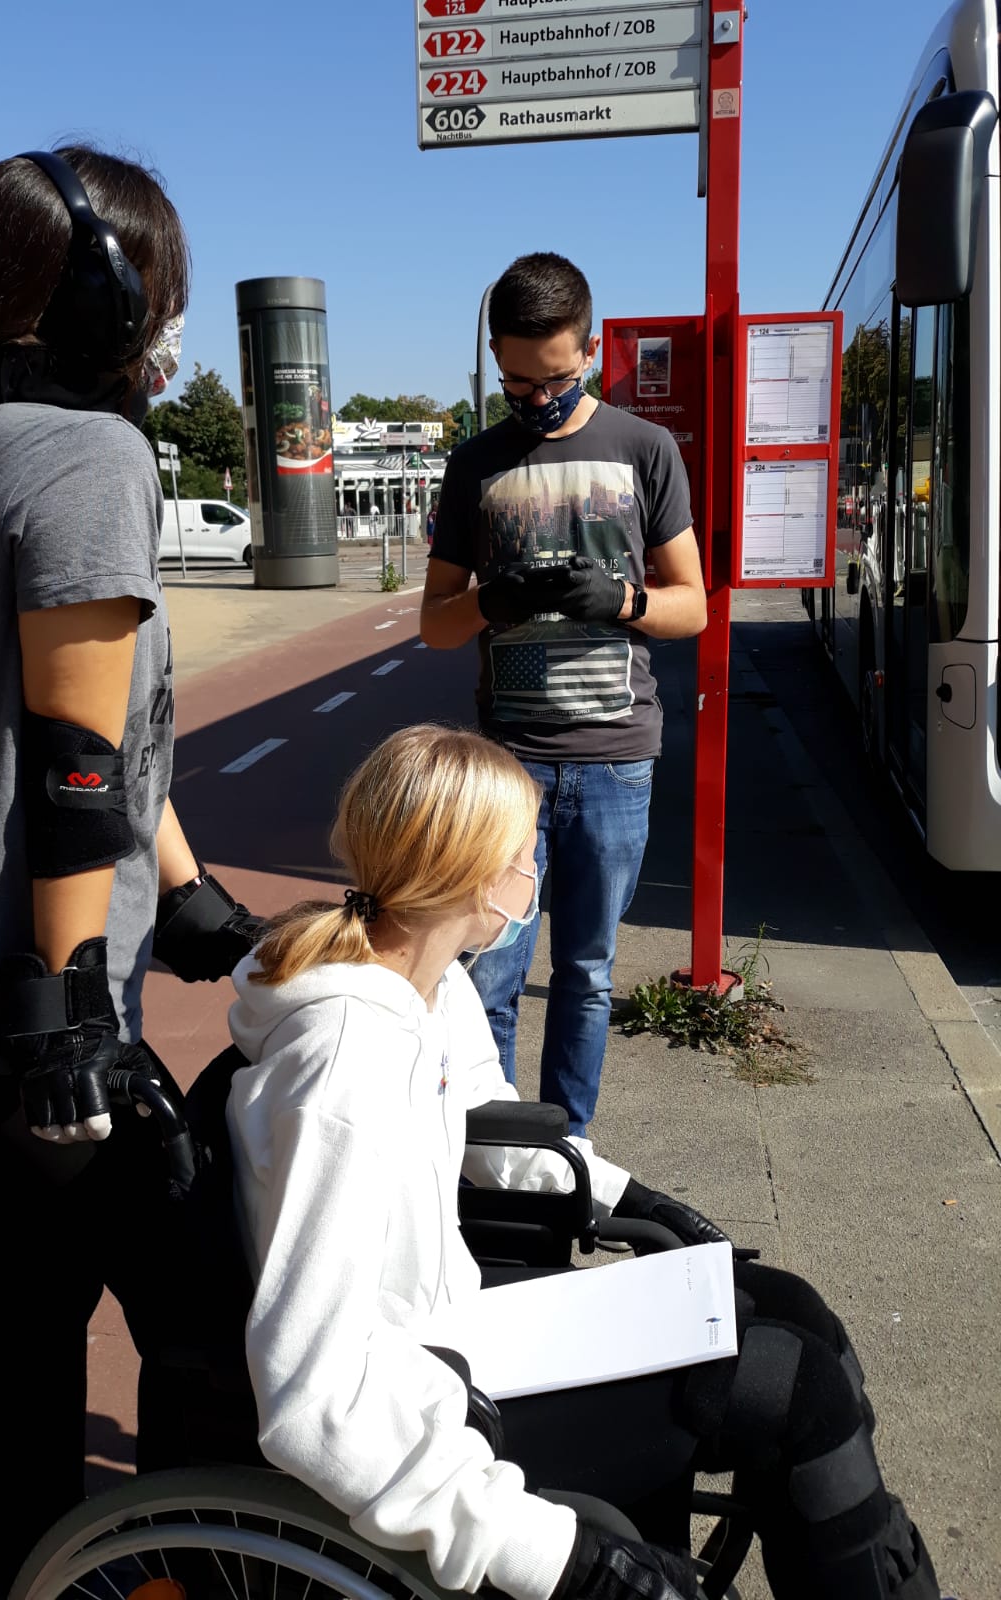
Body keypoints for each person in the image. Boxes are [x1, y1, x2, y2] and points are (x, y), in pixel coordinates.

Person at [0, 147, 261, 1597]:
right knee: (205, 1314)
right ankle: (196, 1563)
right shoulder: (91, 456)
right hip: (39, 1019)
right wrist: (77, 1011)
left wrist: (187, 890)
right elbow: (79, 775)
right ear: (104, 299)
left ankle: (32, 1563)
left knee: (34, 1293)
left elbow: (106, 735)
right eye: (163, 292)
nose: (169, 326)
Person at [225, 724, 943, 1600]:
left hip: (457, 1326)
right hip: (423, 1401)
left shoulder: (428, 984)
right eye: (524, 853)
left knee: (794, 1310)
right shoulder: (344, 1065)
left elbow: (486, 1121)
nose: (535, 871)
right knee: (794, 1387)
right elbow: (315, 1399)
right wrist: (556, 1557)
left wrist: (630, 1197)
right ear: (471, 876)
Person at [421, 253, 707, 1136]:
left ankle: (568, 1147)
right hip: (507, 767)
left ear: (590, 349)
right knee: (490, 974)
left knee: (586, 973)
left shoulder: (643, 449)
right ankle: (493, 1151)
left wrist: (619, 601)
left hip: (616, 759)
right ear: (496, 360)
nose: (537, 398)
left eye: (554, 377)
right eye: (517, 380)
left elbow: (693, 605)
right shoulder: (475, 464)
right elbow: (435, 624)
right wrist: (488, 603)